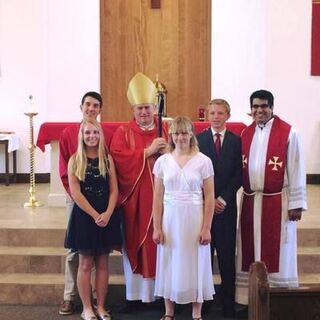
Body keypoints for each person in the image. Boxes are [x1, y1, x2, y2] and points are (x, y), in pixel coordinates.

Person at [235, 90, 307, 311]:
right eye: (255, 107)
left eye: (264, 106)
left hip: (277, 202)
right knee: (249, 249)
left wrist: (296, 203)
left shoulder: (288, 133)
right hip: (250, 200)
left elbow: (297, 167)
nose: (259, 111)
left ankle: (278, 298)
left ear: (272, 107)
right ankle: (249, 299)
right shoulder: (246, 133)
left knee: (278, 251)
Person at [110, 72, 168, 307]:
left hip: (163, 201)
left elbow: (181, 159)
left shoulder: (166, 131)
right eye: (139, 108)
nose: (143, 113)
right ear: (133, 110)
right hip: (135, 202)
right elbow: (118, 160)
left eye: (147, 108)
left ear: (155, 108)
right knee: (136, 244)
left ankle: (162, 295)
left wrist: (168, 153)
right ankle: (135, 296)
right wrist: (148, 151)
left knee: (161, 245)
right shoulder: (123, 132)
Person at [152, 116, 215, 320]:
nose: (180, 137)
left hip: (194, 218)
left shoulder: (204, 161)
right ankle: (169, 311)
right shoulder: (162, 162)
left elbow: (210, 197)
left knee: (196, 260)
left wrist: (206, 228)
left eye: (184, 133)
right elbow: (158, 197)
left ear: (191, 134)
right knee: (169, 260)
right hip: (170, 219)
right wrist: (157, 227)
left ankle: (196, 312)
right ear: (171, 135)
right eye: (176, 133)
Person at [59, 91, 113, 315]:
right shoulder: (68, 133)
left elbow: (110, 169)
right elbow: (64, 167)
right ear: (81, 106)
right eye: (88, 104)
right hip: (77, 197)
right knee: (76, 252)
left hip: (100, 201)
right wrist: (76, 198)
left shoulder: (104, 133)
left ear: (100, 110)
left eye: (95, 106)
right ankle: (70, 296)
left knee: (100, 256)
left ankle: (96, 303)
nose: (91, 109)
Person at [64, 118, 121, 320]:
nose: (91, 136)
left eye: (95, 133)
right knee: (86, 263)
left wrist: (107, 213)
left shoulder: (107, 159)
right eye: (87, 133)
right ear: (82, 135)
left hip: (106, 214)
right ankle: (87, 308)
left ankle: (102, 307)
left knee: (104, 263)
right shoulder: (75, 160)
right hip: (85, 216)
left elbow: (114, 190)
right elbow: (76, 193)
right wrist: (95, 215)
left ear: (100, 135)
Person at [197, 99, 242, 318]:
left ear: (228, 115)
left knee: (226, 257)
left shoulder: (236, 141)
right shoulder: (198, 140)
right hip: (204, 209)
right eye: (212, 112)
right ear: (207, 116)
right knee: (204, 257)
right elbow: (194, 171)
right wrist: (209, 199)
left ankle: (228, 302)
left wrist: (223, 198)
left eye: (220, 113)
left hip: (226, 208)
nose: (216, 116)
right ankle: (203, 301)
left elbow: (239, 174)